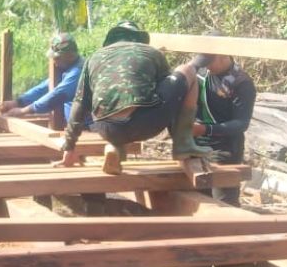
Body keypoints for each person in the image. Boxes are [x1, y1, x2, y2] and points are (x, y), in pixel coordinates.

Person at [58, 21, 212, 175]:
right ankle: (183, 144)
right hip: (145, 124)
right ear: (138, 38)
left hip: (106, 129)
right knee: (187, 70)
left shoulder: (93, 58)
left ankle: (114, 148)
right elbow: (173, 95)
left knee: (114, 106)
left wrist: (69, 148)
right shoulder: (151, 52)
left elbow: (78, 104)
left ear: (111, 40)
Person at [194, 46, 257, 205]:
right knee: (197, 200)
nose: (207, 66)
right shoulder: (201, 74)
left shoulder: (241, 83)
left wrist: (206, 129)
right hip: (195, 147)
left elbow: (241, 123)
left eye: (209, 61)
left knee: (223, 203)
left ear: (222, 55)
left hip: (222, 150)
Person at [0, 33, 86, 125]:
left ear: (70, 56)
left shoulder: (77, 72)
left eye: (57, 58)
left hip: (87, 127)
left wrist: (24, 111)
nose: (54, 62)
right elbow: (44, 88)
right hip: (74, 125)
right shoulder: (66, 67)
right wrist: (18, 102)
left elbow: (56, 95)